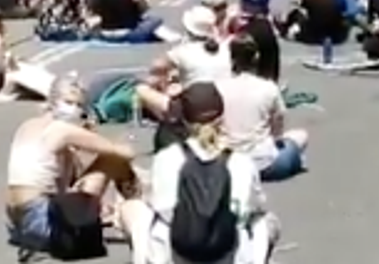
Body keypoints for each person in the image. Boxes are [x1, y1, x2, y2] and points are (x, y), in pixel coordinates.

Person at [118, 82, 275, 264]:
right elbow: (256, 206)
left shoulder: (166, 158)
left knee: (131, 209)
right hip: (227, 252)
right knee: (266, 222)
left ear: (184, 120)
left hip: (176, 252)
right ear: (222, 117)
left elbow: (157, 204)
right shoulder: (241, 162)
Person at [6, 76, 139, 249]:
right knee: (112, 160)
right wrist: (95, 138)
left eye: (78, 105)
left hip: (18, 223)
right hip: (42, 221)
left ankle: (119, 211)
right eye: (68, 102)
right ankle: (135, 212)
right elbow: (124, 153)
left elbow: (65, 180)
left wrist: (78, 148)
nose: (74, 110)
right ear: (52, 102)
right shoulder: (63, 130)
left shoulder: (28, 125)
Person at [218, 35, 307, 182]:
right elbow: (279, 121)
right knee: (301, 136)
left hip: (229, 161)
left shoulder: (219, 87)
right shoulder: (268, 88)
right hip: (264, 163)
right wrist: (275, 139)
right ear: (256, 58)